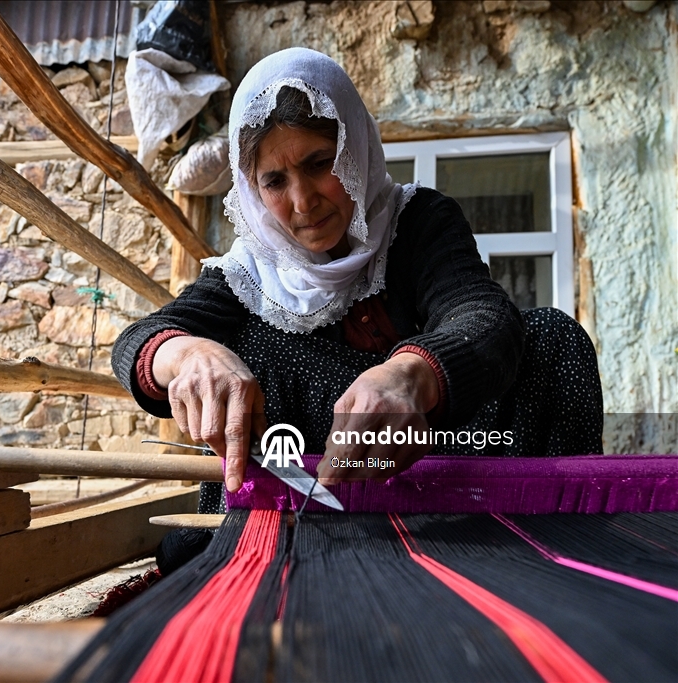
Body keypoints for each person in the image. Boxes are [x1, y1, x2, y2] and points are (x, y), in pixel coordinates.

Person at [112, 48, 603, 525]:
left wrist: (409, 376)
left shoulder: (418, 221)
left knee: (551, 336)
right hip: (320, 485)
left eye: (318, 163)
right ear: (252, 189)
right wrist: (189, 356)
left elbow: (479, 313)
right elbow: (139, 341)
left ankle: (555, 538)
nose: (302, 202)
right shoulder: (249, 274)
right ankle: (259, 542)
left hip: (440, 460)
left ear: (355, 149)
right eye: (275, 181)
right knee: (244, 347)